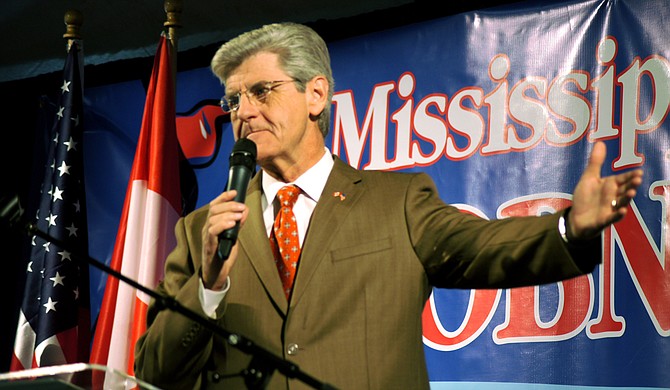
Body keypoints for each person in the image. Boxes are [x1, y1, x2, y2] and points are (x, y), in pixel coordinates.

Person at [134, 22, 644, 389]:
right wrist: (208, 288)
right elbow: (155, 370)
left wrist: (569, 228)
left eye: (262, 91)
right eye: (232, 100)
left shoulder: (395, 202)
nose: (243, 111)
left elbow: (484, 248)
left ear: (316, 96)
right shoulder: (203, 229)